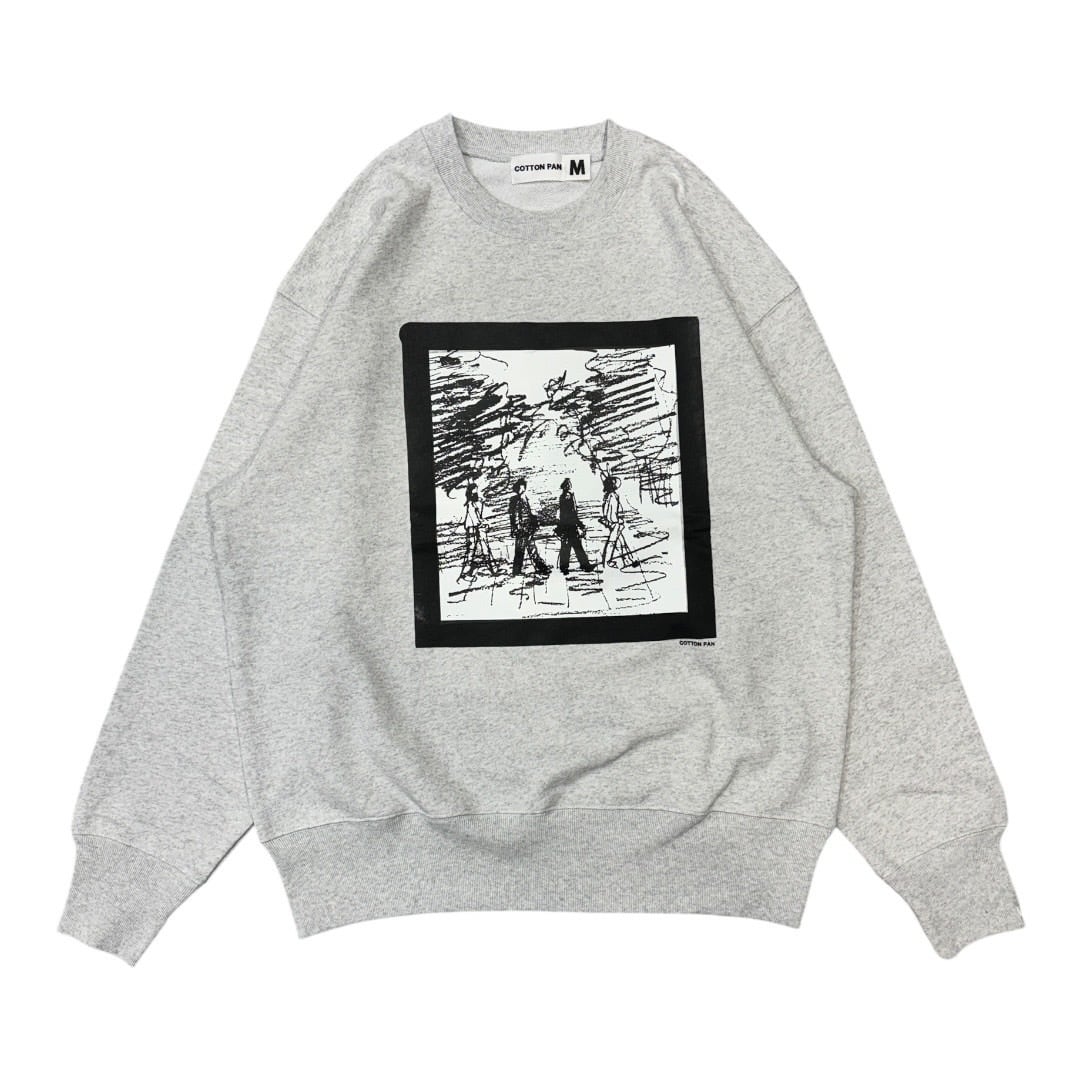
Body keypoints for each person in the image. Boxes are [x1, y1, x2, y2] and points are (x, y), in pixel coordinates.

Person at [508, 478, 550, 576]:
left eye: (522, 487)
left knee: (530, 549)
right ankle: (518, 571)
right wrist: (517, 528)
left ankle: (540, 568)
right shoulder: (516, 500)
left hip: (526, 528)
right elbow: (515, 516)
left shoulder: (524, 498)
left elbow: (528, 513)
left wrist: (534, 522)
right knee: (522, 550)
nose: (521, 489)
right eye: (519, 487)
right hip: (521, 529)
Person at [555, 478, 595, 573]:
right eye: (568, 484)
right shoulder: (568, 496)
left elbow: (565, 513)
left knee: (567, 546)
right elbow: (572, 513)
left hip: (566, 525)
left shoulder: (562, 497)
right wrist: (580, 524)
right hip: (570, 526)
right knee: (576, 546)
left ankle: (564, 567)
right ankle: (584, 565)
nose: (570, 486)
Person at [458, 483, 497, 581]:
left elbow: (478, 517)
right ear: (470, 493)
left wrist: (482, 522)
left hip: (477, 527)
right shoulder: (470, 504)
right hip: (472, 528)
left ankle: (494, 569)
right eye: (474, 492)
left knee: (485, 547)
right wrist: (482, 523)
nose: (476, 494)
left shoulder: (475, 503)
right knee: (471, 550)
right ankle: (465, 574)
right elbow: (474, 518)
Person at [599, 475, 638, 569]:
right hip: (615, 523)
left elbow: (607, 511)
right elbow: (611, 511)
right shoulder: (612, 496)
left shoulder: (609, 495)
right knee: (612, 543)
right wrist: (615, 521)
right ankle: (608, 562)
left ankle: (629, 560)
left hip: (614, 522)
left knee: (621, 542)